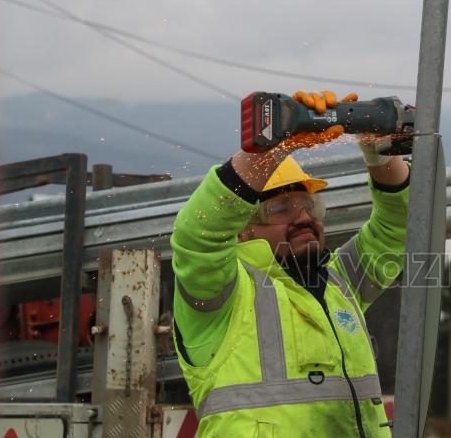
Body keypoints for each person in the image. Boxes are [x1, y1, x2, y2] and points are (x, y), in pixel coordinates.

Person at [171, 90, 410, 437]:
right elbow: (199, 233)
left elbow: (400, 227)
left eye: (310, 206)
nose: (303, 217)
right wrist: (276, 147)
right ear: (242, 229)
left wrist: (380, 147)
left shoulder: (341, 283)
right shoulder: (222, 296)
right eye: (280, 209)